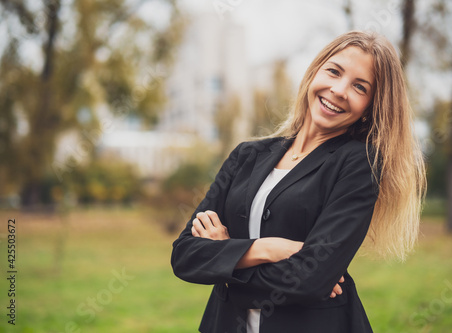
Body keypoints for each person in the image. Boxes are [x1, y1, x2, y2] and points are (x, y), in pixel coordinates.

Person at [171, 30, 426, 333]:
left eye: (360, 87)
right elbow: (185, 255)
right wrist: (266, 248)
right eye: (334, 71)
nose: (339, 89)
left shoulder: (359, 163)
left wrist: (225, 259)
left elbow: (311, 280)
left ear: (371, 107)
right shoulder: (247, 155)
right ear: (314, 72)